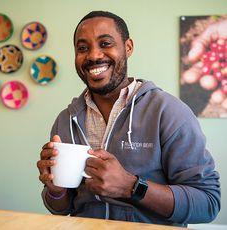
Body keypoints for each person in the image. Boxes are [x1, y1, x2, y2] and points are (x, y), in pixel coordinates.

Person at [37, 11, 221, 227]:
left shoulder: (169, 112)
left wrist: (131, 186)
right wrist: (55, 190)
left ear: (128, 47)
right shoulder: (66, 120)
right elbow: (61, 208)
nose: (94, 56)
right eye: (82, 48)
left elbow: (208, 203)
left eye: (105, 43)